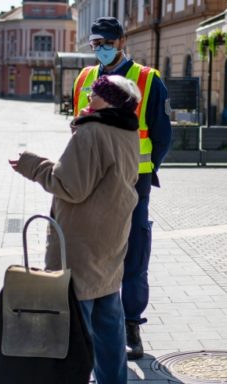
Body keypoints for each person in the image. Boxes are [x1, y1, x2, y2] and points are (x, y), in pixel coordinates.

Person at [10, 75, 141, 384]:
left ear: (107, 101)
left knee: (73, 329)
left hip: (80, 244)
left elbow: (69, 186)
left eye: (94, 93)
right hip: (111, 239)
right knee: (109, 325)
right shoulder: (128, 132)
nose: (88, 96)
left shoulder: (92, 132)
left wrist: (32, 165)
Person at [72, 17, 172, 360]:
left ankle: (131, 325)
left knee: (133, 252)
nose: (101, 48)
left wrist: (146, 168)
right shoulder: (84, 78)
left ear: (122, 41)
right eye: (96, 43)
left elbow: (162, 136)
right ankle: (91, 326)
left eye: (107, 42)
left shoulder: (147, 79)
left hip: (132, 181)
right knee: (91, 252)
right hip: (91, 180)